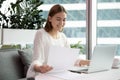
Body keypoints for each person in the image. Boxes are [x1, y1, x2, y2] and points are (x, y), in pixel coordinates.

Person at [26, 4, 90, 78]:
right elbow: (37, 60)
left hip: (61, 74)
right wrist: (40, 68)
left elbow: (72, 59)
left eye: (64, 20)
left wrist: (90, 62)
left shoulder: (63, 37)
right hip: (44, 75)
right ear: (50, 18)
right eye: (58, 19)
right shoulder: (41, 34)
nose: (61, 23)